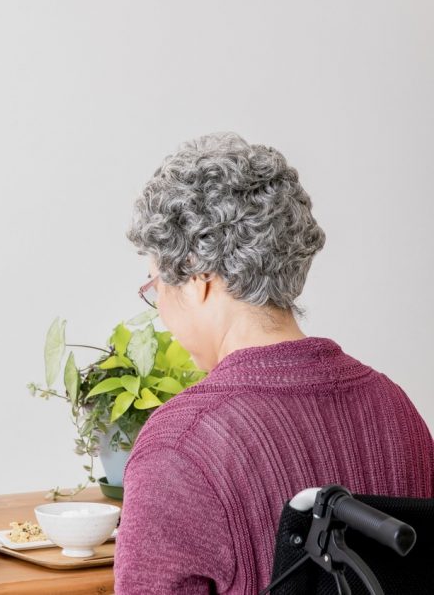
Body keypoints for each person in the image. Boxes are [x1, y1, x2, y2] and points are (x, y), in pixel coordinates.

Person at [113, 133, 434, 594]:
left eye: (154, 286)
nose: (160, 313)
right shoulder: (397, 410)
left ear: (197, 276)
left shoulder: (179, 447)